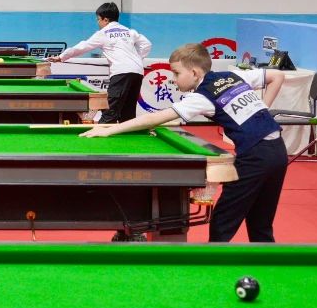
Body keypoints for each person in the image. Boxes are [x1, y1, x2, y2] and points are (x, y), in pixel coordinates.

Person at [82, 42, 288, 243]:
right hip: (278, 152)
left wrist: (110, 129)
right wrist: (262, 111)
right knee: (261, 225)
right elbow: (277, 76)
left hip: (255, 157)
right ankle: (266, 263)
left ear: (195, 73)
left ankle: (214, 263)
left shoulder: (201, 97)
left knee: (222, 224)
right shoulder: (232, 76)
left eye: (177, 73)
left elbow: (155, 118)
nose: (174, 79)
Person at [56, 3, 151, 125]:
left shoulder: (104, 33)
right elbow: (147, 44)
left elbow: (82, 46)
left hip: (121, 72)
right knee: (128, 112)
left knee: (109, 112)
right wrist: (136, 59)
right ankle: (128, 136)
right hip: (137, 72)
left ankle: (100, 135)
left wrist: (61, 57)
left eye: (98, 19)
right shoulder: (129, 31)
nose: (98, 22)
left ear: (105, 20)